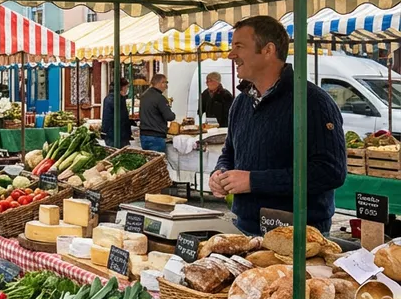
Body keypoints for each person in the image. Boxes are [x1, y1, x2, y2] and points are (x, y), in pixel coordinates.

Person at [209, 17, 347, 235]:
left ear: (268, 50)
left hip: (299, 235)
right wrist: (221, 173)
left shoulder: (312, 101)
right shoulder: (241, 102)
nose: (231, 54)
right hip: (245, 227)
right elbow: (230, 152)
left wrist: (254, 181)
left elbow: (330, 172)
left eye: (239, 46)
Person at [138, 74, 175, 152]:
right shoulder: (160, 98)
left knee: (149, 161)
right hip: (156, 136)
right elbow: (169, 116)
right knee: (158, 162)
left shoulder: (144, 96)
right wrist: (173, 114)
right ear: (161, 83)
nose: (166, 86)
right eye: (166, 83)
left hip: (144, 135)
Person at [100, 78, 132, 148]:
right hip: (117, 135)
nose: (127, 89)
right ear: (123, 87)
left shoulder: (110, 98)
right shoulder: (117, 99)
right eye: (127, 87)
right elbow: (123, 118)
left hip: (112, 134)